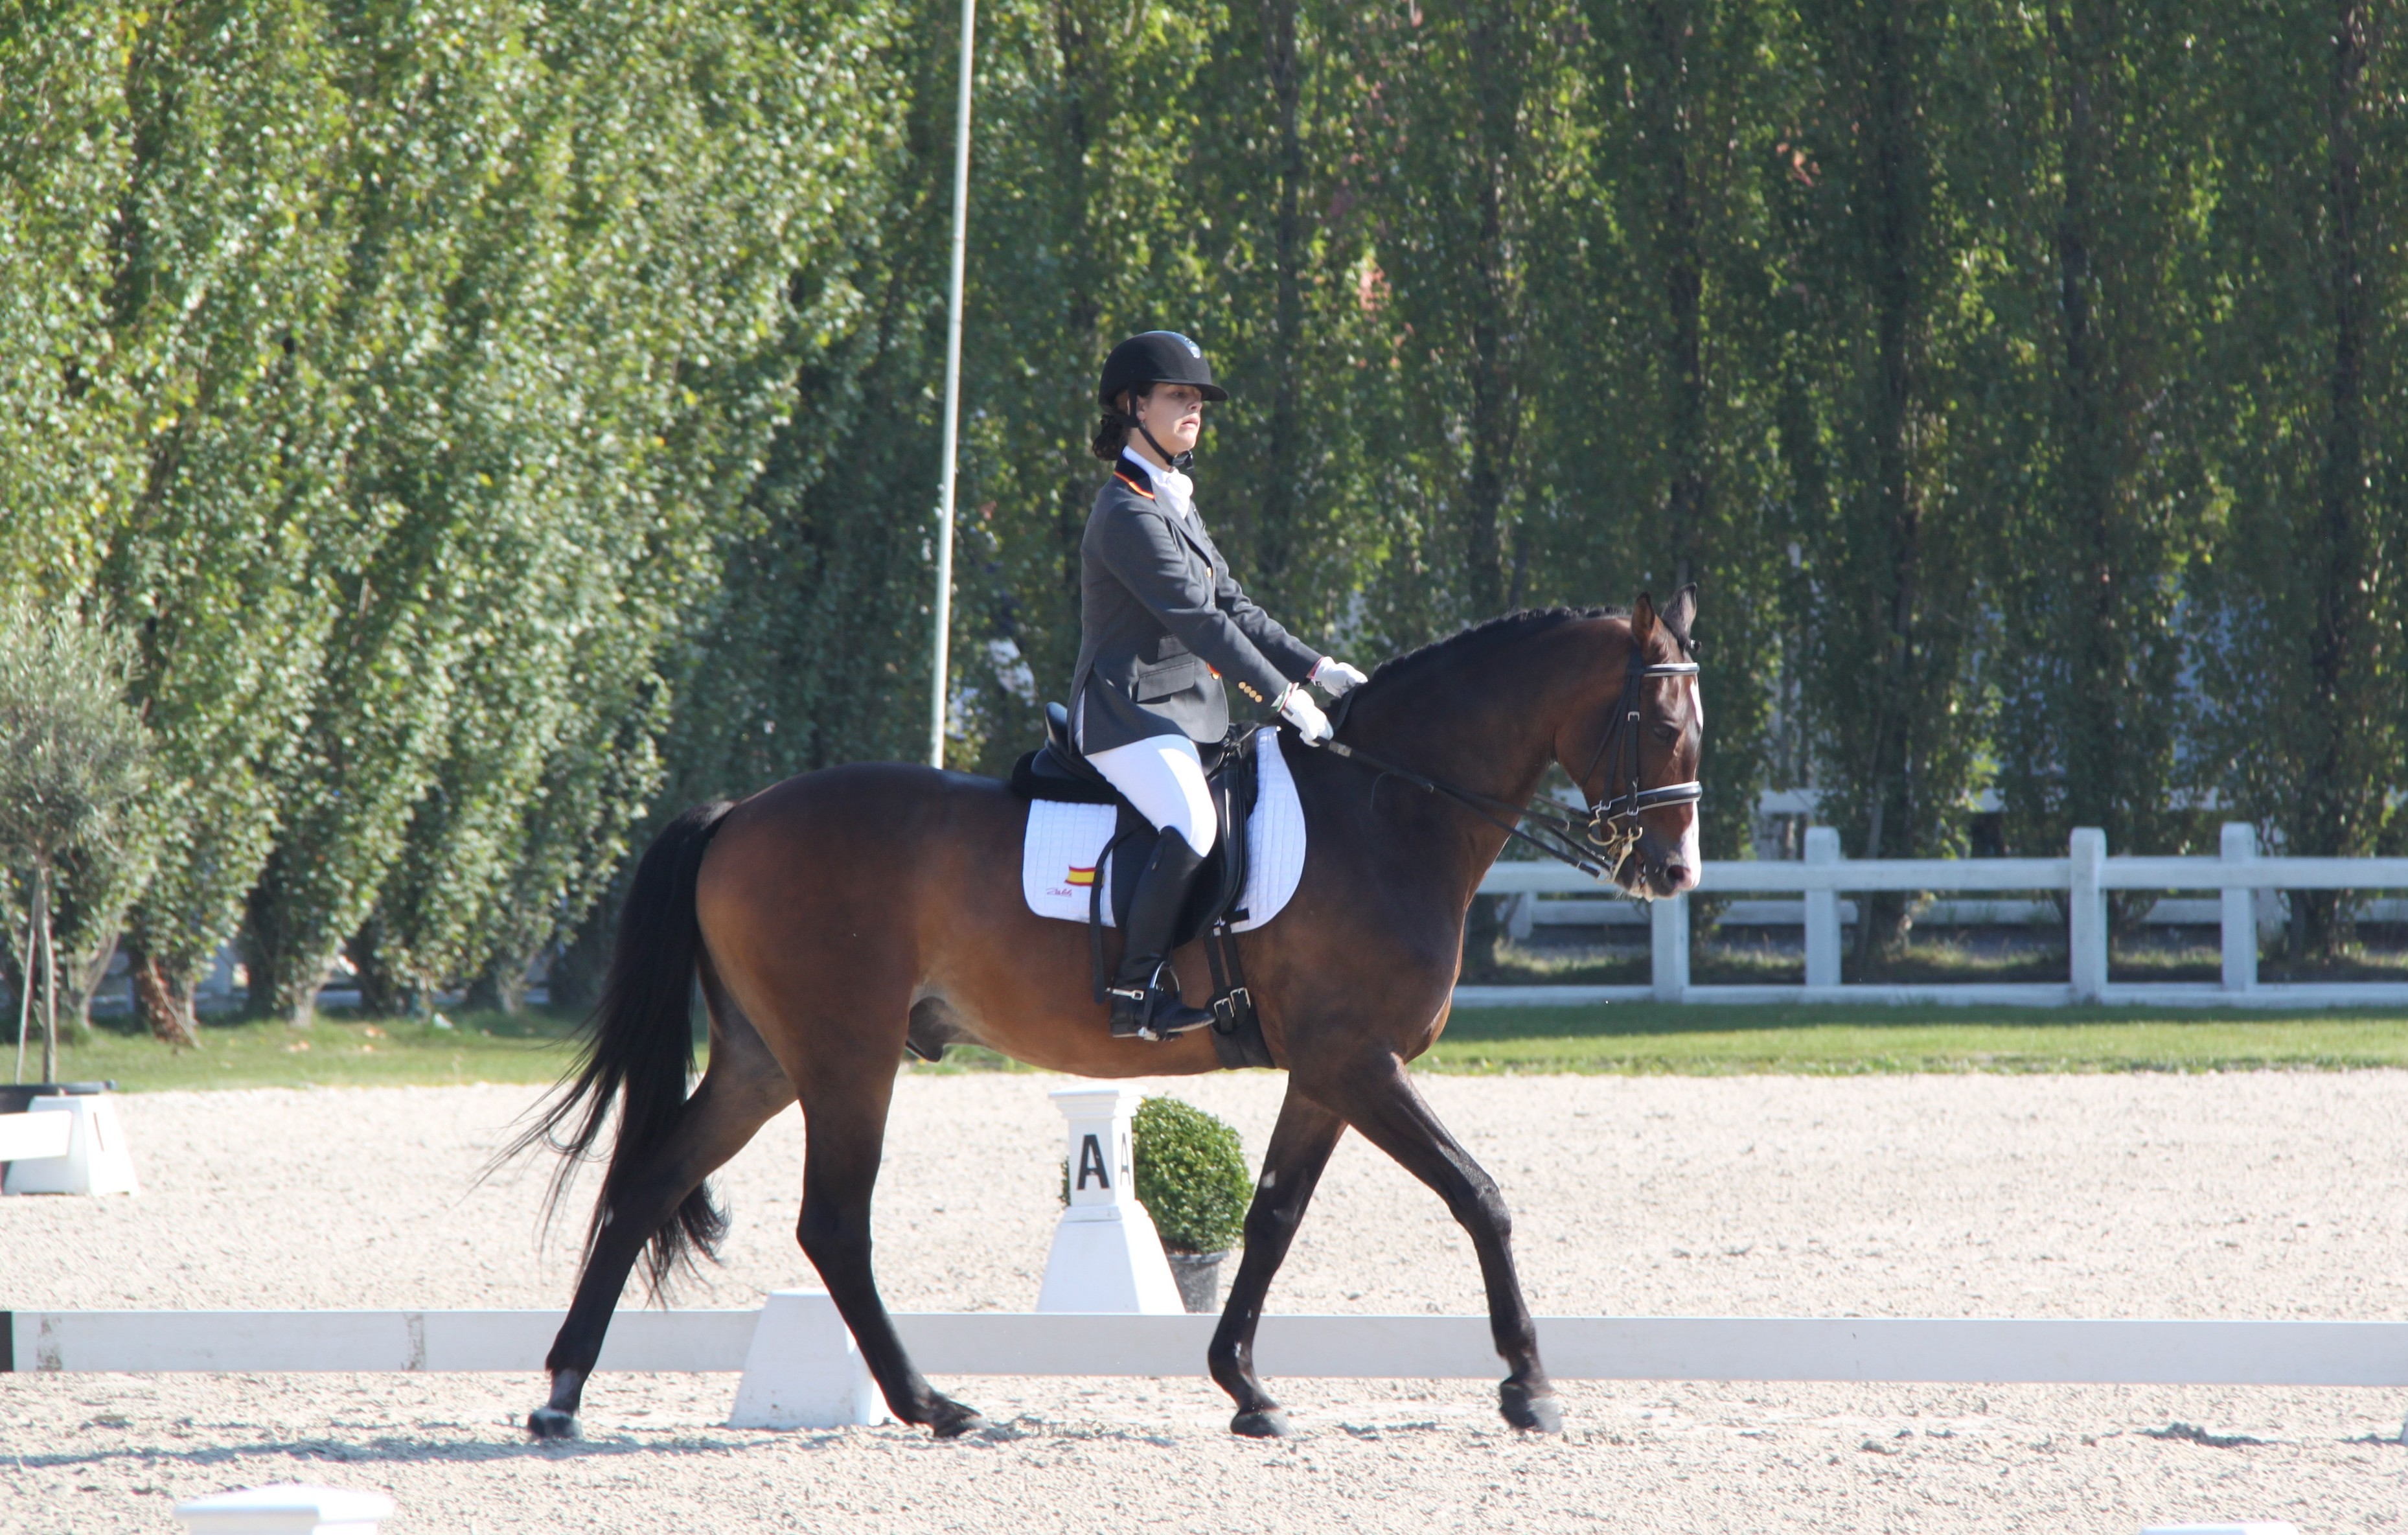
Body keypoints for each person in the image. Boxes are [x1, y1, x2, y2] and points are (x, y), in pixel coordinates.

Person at [1070, 330, 1368, 1040]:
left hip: (1184, 713)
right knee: (1194, 822)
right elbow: (1201, 625)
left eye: (1199, 398)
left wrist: (1314, 666)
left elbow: (1232, 604)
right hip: (1126, 711)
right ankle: (1133, 992)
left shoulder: (1171, 500)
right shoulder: (1127, 513)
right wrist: (1283, 697)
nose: (1194, 407)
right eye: (1178, 395)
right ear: (1132, 405)